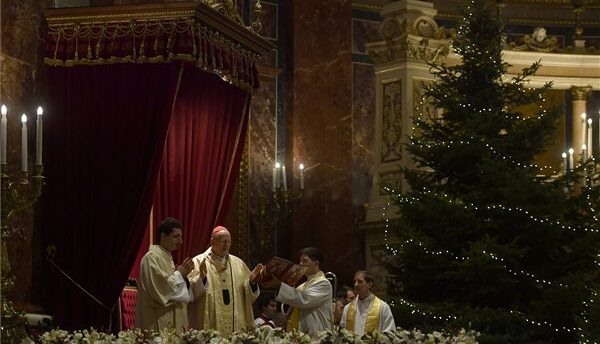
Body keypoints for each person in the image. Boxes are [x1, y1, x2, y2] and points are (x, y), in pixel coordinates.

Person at [187, 226, 263, 335]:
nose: (226, 245)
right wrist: (201, 279)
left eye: (229, 241)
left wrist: (252, 282)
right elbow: (188, 293)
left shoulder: (239, 264)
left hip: (235, 325)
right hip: (210, 323)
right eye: (223, 241)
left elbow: (248, 296)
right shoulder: (198, 262)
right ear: (212, 242)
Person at [136, 217, 208, 331]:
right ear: (163, 237)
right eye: (176, 236)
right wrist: (180, 274)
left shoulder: (167, 258)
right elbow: (160, 291)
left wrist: (201, 278)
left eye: (181, 236)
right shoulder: (151, 258)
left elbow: (183, 294)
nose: (181, 241)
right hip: (157, 321)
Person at [270, 247, 333, 336]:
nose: (300, 264)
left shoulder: (323, 283)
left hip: (317, 334)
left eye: (305, 260)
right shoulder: (302, 285)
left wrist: (279, 285)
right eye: (300, 260)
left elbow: (304, 300)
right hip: (300, 333)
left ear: (316, 263)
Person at [340, 270, 395, 335]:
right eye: (355, 281)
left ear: (369, 285)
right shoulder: (348, 308)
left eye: (360, 281)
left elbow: (389, 333)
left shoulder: (382, 307)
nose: (356, 284)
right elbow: (342, 333)